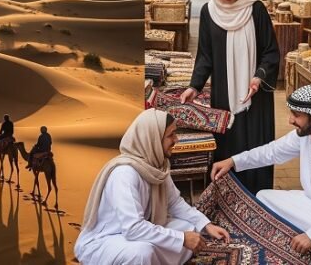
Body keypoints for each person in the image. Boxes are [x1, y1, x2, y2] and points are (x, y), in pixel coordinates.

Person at [210, 85, 311, 253]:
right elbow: (272, 151)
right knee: (263, 197)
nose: (290, 120)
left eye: (296, 115)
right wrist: (233, 161)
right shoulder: (307, 133)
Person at [74, 109, 230, 264]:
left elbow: (175, 203)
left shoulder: (157, 165)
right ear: (152, 139)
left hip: (136, 233)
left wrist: (206, 225)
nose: (176, 140)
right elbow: (133, 228)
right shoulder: (125, 174)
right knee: (142, 253)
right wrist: (181, 239)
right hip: (107, 239)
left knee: (190, 228)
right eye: (170, 135)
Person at [180, 0, 280, 194]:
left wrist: (258, 77)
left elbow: (271, 51)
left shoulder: (255, 9)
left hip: (254, 96)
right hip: (224, 93)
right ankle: (228, 198)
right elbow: (205, 55)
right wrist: (194, 86)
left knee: (255, 144)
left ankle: (258, 197)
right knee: (229, 144)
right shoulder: (208, 12)